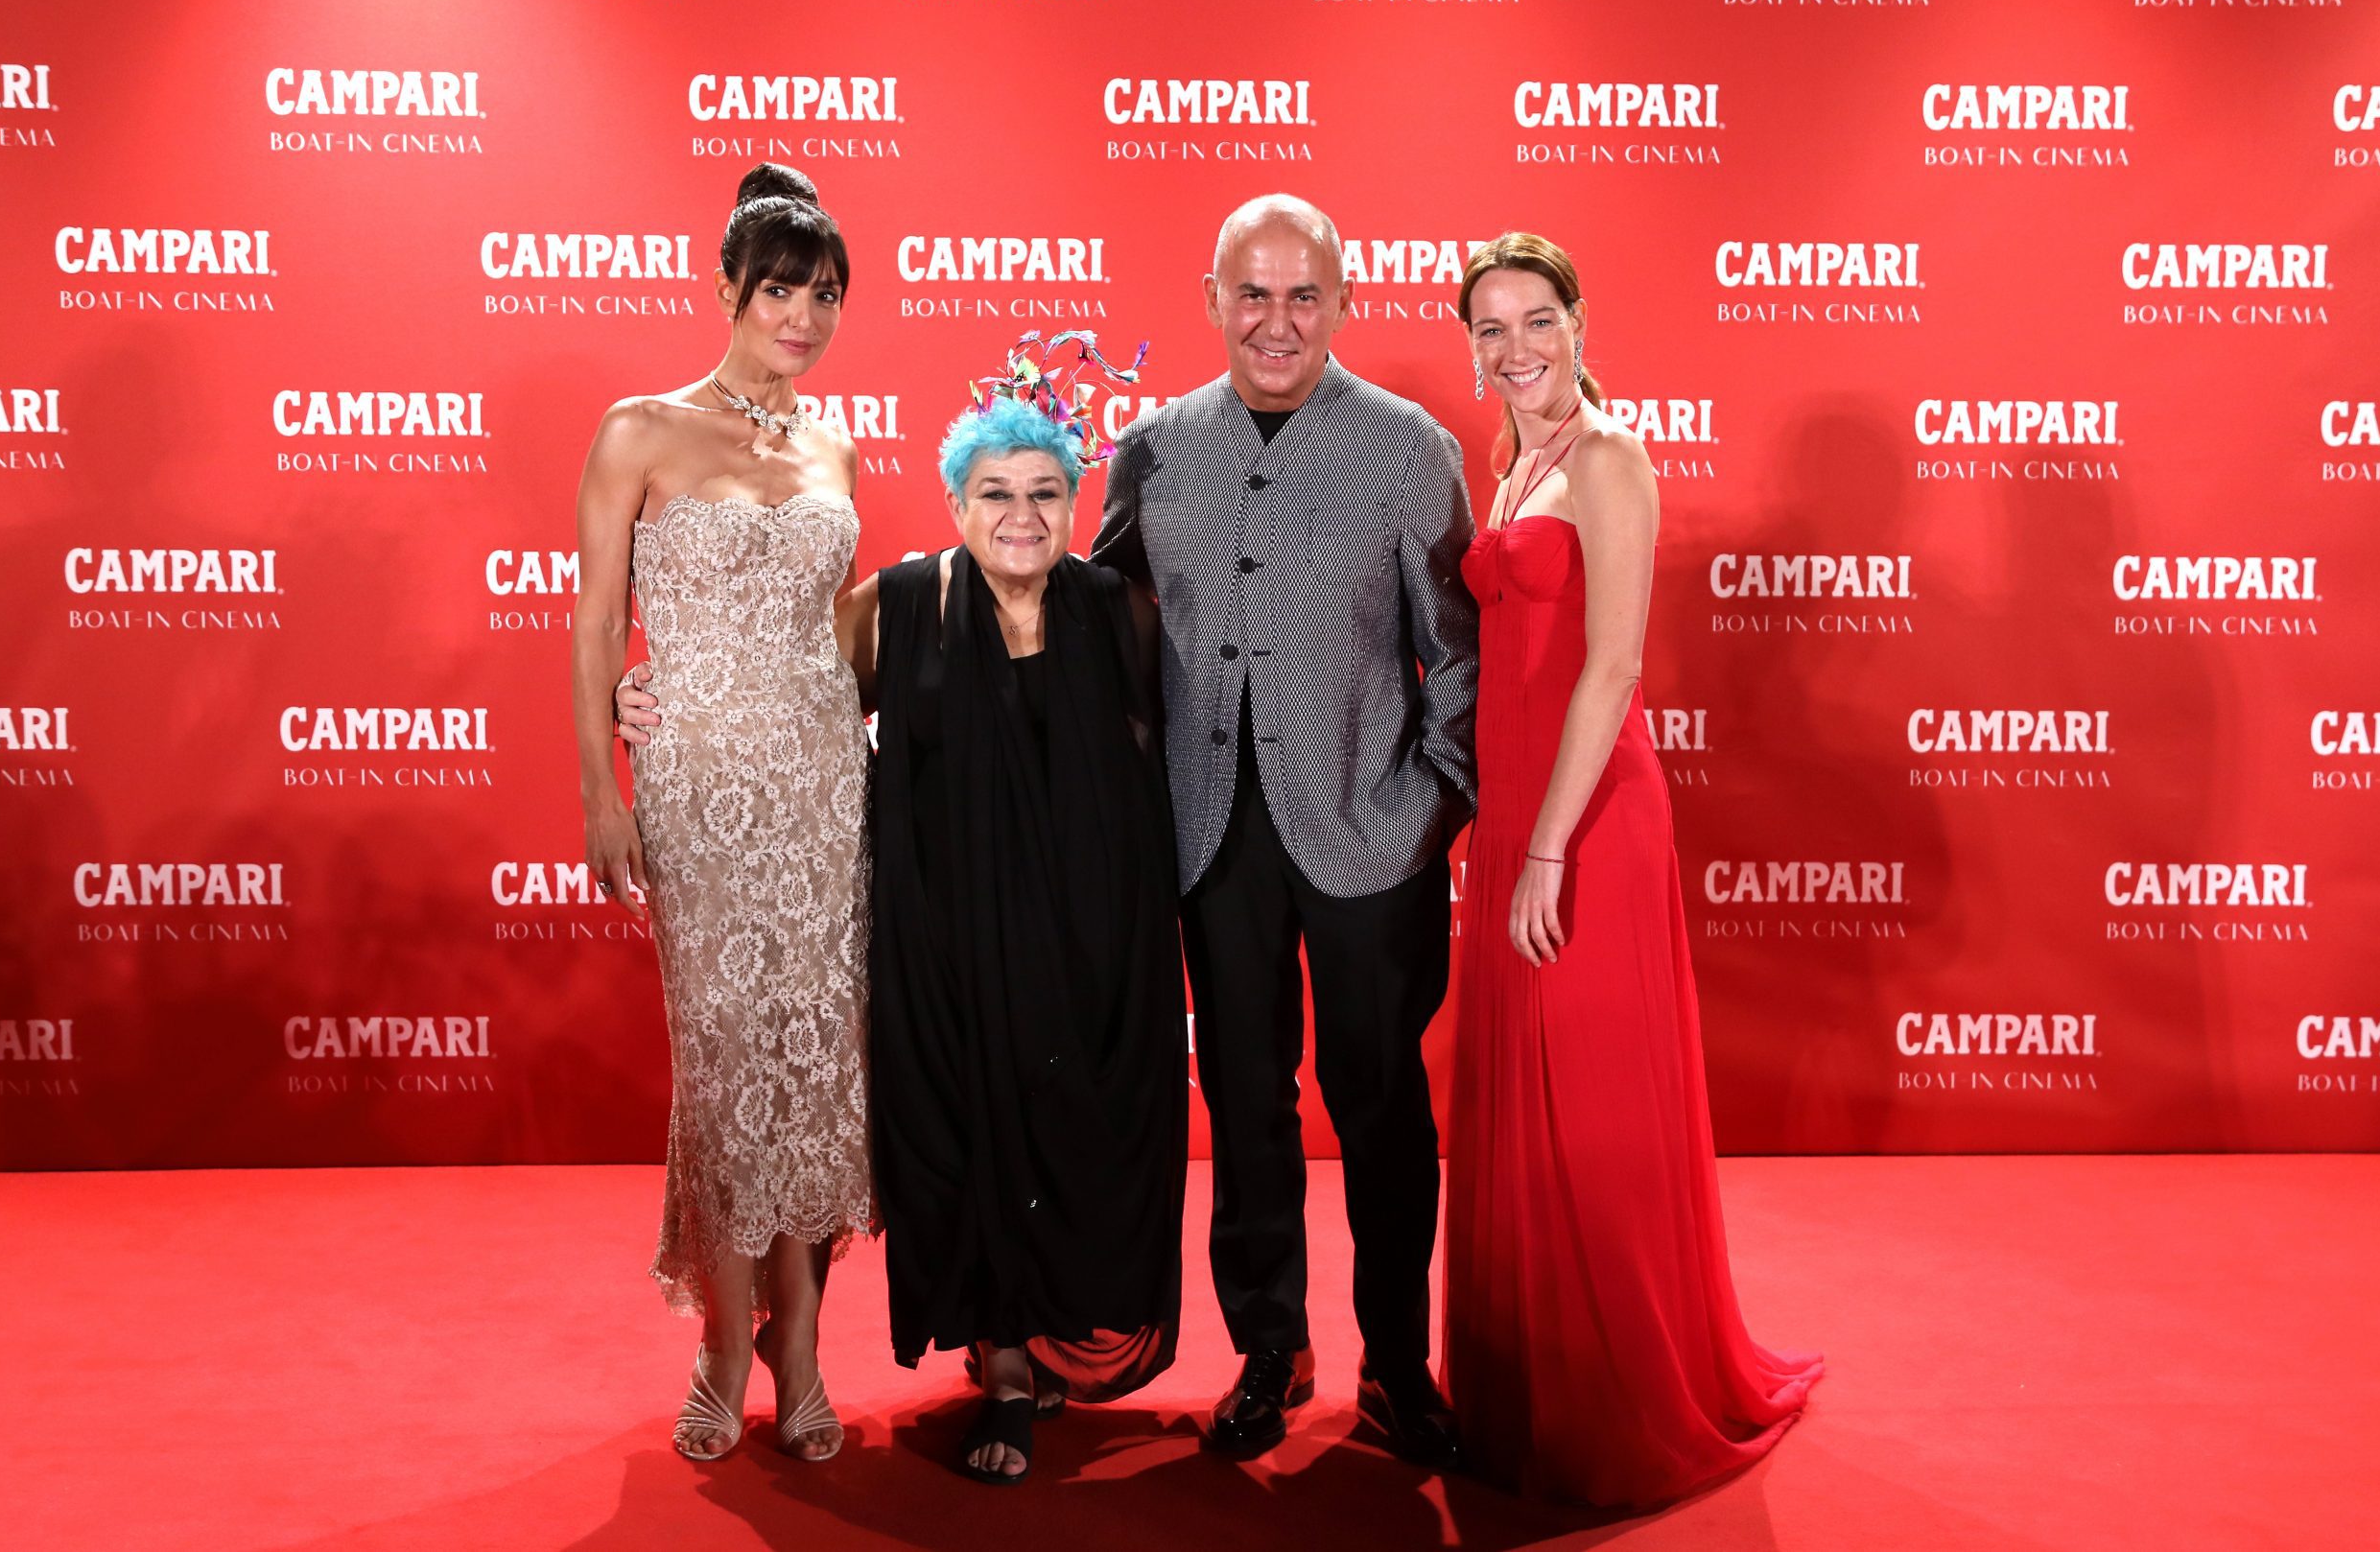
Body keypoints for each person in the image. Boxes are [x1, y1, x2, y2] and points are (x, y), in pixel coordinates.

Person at [622, 332, 1189, 1488]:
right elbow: (780, 681)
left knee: (1076, 1133)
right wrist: (652, 690)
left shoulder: (1118, 615)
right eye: (995, 493)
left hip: (1085, 944)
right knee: (961, 1134)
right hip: (943, 942)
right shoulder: (896, 607)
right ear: (955, 502)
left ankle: (1037, 1343)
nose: (1020, 515)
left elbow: (1173, 754)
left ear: (1075, 503)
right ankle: (998, 1365)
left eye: (1044, 493)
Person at [1093, 196, 1477, 1467]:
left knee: (1381, 1106)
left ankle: (1397, 1362)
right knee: (1244, 1103)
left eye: (1302, 294)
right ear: (1211, 300)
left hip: (1371, 831)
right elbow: (1105, 634)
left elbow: (1457, 652)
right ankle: (1270, 1351)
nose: (1276, 320)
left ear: (1343, 302)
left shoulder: (1409, 448)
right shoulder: (1151, 449)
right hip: (1210, 839)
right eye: (1252, 293)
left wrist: (1430, 805)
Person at [1445, 231, 1823, 1508]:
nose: (1516, 349)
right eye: (1490, 328)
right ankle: (1525, 1387)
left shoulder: (1608, 456)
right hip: (1516, 810)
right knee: (1524, 1104)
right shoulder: (1506, 457)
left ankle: (1619, 1402)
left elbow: (1611, 666)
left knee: (1591, 1103)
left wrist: (1548, 844)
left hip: (1589, 819)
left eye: (1536, 320)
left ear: (1578, 321)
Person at [573, 162, 875, 1466]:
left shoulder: (835, 447)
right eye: (779, 292)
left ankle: (799, 1343)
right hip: (697, 794)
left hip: (826, 787)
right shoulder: (638, 431)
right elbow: (595, 625)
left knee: (819, 1066)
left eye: (825, 296)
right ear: (727, 289)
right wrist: (602, 786)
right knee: (725, 1063)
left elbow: (837, 632)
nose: (802, 319)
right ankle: (722, 1341)